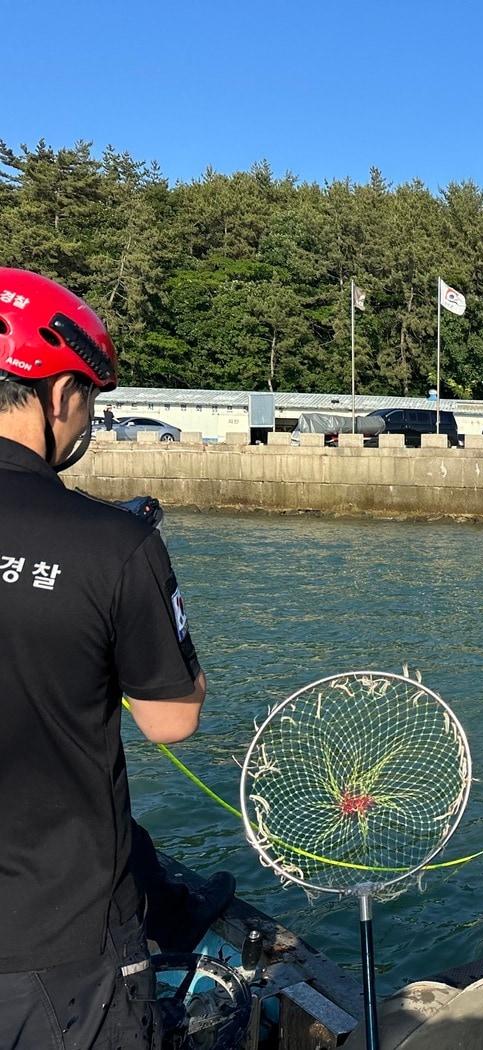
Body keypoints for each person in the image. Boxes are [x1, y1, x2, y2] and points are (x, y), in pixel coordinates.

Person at [0, 268, 209, 1049]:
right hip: (61, 954)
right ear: (58, 395)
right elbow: (171, 718)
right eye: (89, 395)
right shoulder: (116, 546)